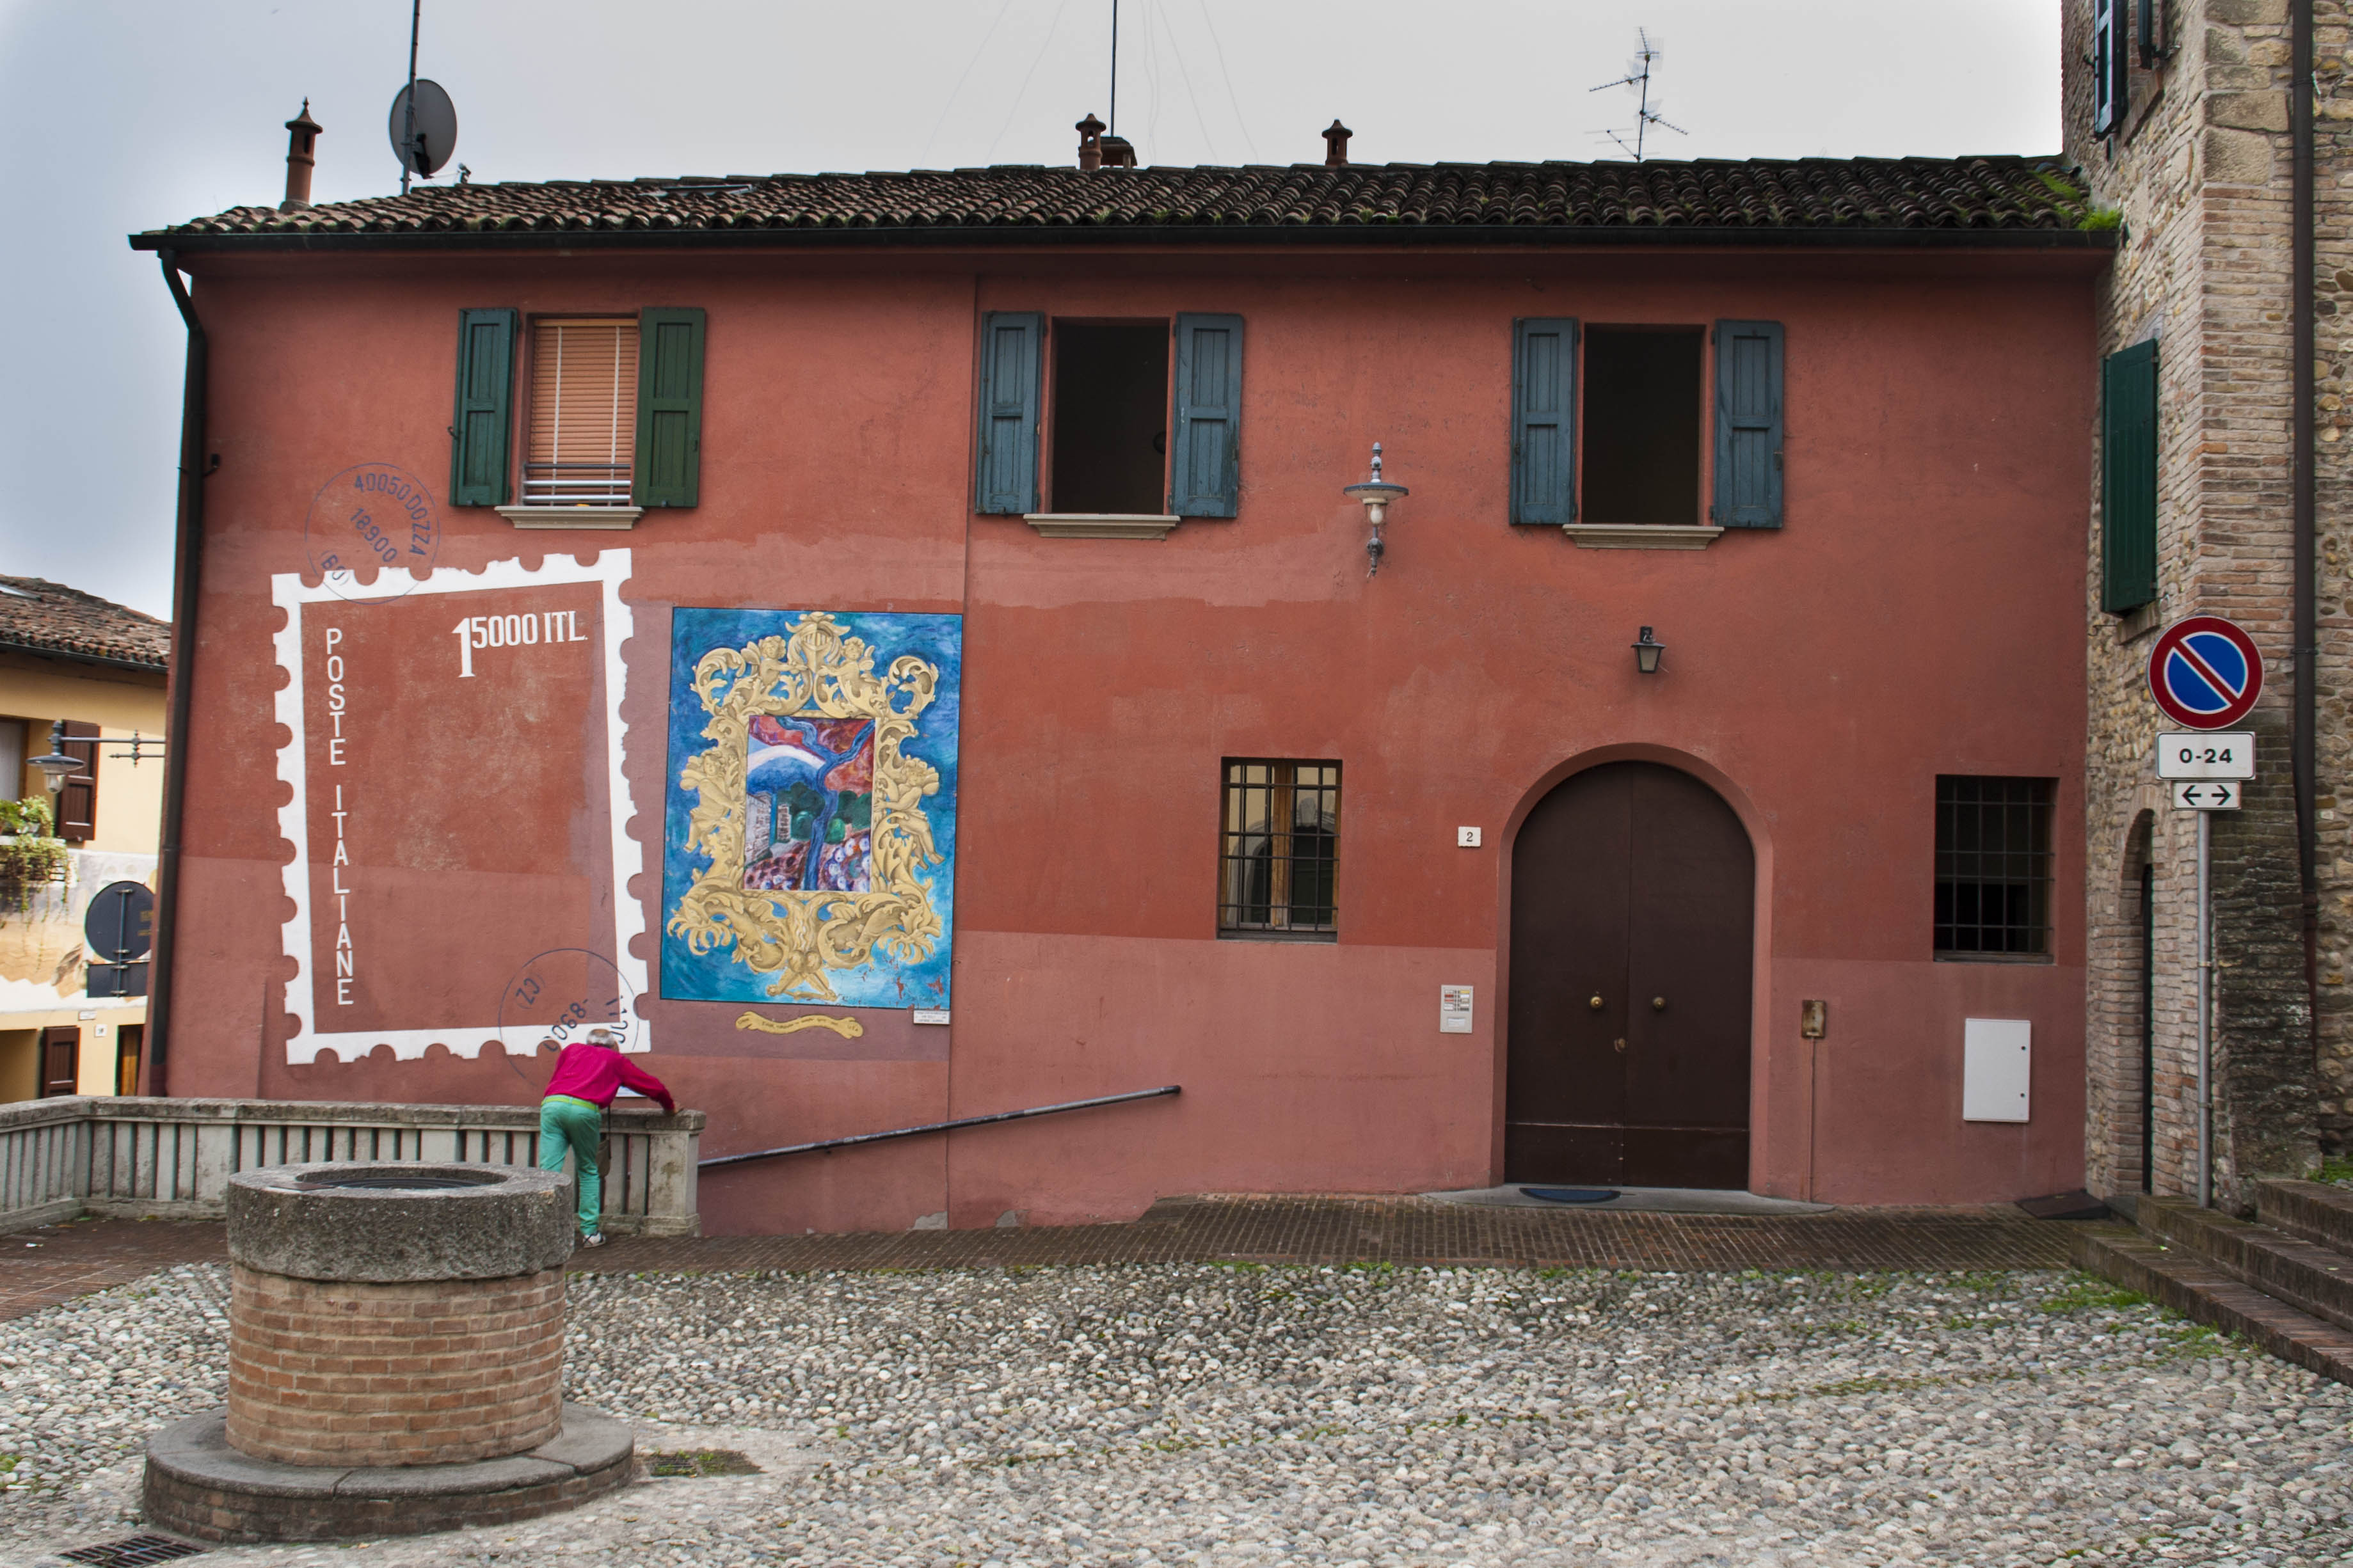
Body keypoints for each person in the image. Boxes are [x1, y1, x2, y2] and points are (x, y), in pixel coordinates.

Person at [537, 1027, 677, 1247]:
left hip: (552, 1105)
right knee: (588, 1170)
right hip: (584, 1110)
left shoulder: (571, 1050)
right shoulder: (615, 1060)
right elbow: (652, 1086)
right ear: (613, 1045)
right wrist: (669, 1106)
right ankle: (590, 1233)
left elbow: (560, 1077)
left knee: (548, 1171)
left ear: (588, 1042)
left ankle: (543, 1232)